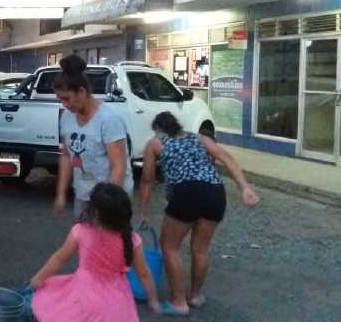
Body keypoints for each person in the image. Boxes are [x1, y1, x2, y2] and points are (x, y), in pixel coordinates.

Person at [138, 111, 260, 316]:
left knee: (170, 247)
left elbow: (147, 180)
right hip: (215, 192)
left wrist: (142, 212)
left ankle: (178, 302)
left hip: (187, 192)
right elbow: (226, 157)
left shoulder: (155, 144)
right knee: (200, 249)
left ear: (158, 130)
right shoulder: (200, 138)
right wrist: (244, 187)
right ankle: (194, 296)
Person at [30, 183, 161, 321]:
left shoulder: (81, 231)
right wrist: (153, 299)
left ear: (95, 213)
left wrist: (39, 278)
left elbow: (59, 258)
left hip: (84, 298)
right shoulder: (132, 240)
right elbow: (144, 273)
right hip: (116, 305)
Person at [52, 54, 134, 218]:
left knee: (108, 242)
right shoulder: (67, 117)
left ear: (82, 92)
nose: (64, 105)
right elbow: (67, 156)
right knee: (84, 241)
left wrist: (105, 207)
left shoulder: (108, 119)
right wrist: (61, 193)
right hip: (83, 194)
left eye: (67, 99)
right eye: (60, 100)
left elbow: (119, 166)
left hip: (111, 199)